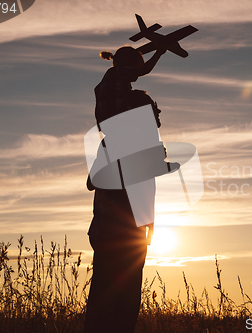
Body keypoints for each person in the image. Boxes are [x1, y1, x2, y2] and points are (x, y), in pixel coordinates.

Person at [84, 45, 166, 333]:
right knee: (119, 305)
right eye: (154, 117)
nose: (157, 123)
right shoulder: (125, 144)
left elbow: (93, 180)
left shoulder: (112, 143)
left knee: (108, 303)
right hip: (121, 232)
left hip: (115, 230)